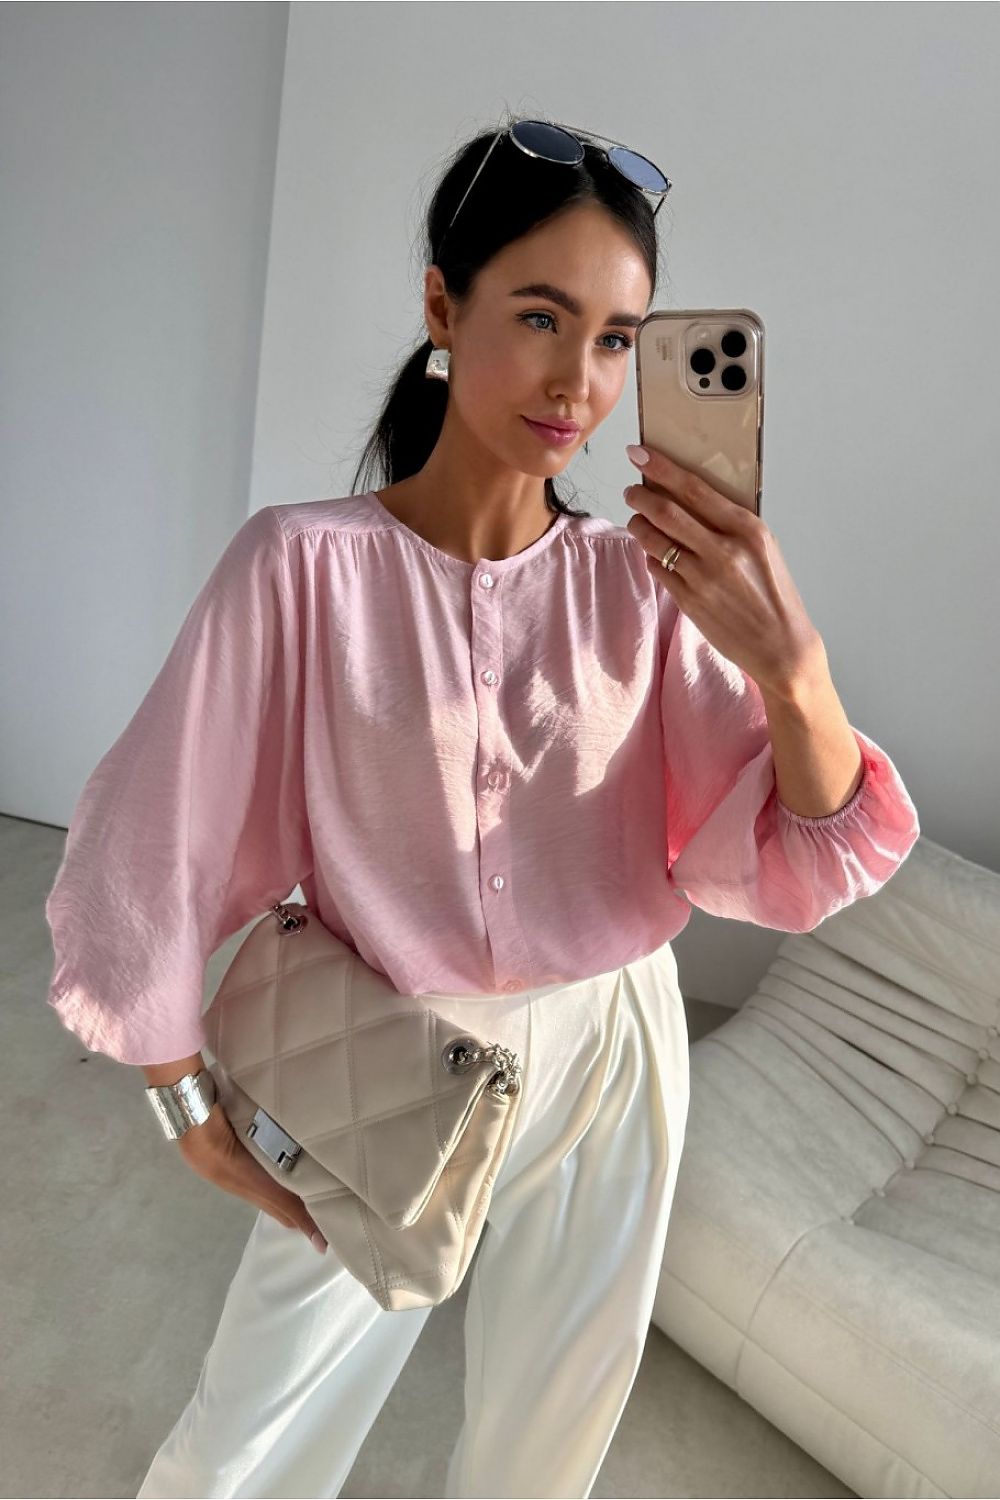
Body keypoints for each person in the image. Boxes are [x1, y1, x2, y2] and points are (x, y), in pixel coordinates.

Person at [44, 114, 920, 1499]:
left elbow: (799, 852)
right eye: (541, 316)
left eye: (618, 339)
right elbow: (149, 840)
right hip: (388, 1052)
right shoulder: (302, 570)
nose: (580, 380)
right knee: (247, 1441)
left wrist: (793, 670)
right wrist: (180, 1099)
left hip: (619, 1048)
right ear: (444, 308)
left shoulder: (645, 587)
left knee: (543, 1447)